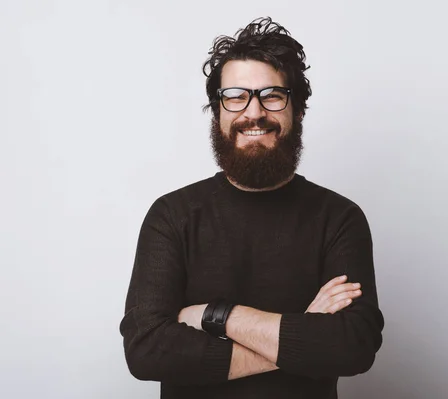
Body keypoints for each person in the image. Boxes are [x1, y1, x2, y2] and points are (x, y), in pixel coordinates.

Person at [119, 17, 384, 399]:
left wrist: (217, 315)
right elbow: (147, 350)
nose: (254, 112)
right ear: (218, 112)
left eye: (272, 95)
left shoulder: (340, 218)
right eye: (236, 96)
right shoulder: (172, 216)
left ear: (299, 110)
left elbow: (353, 347)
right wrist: (301, 334)